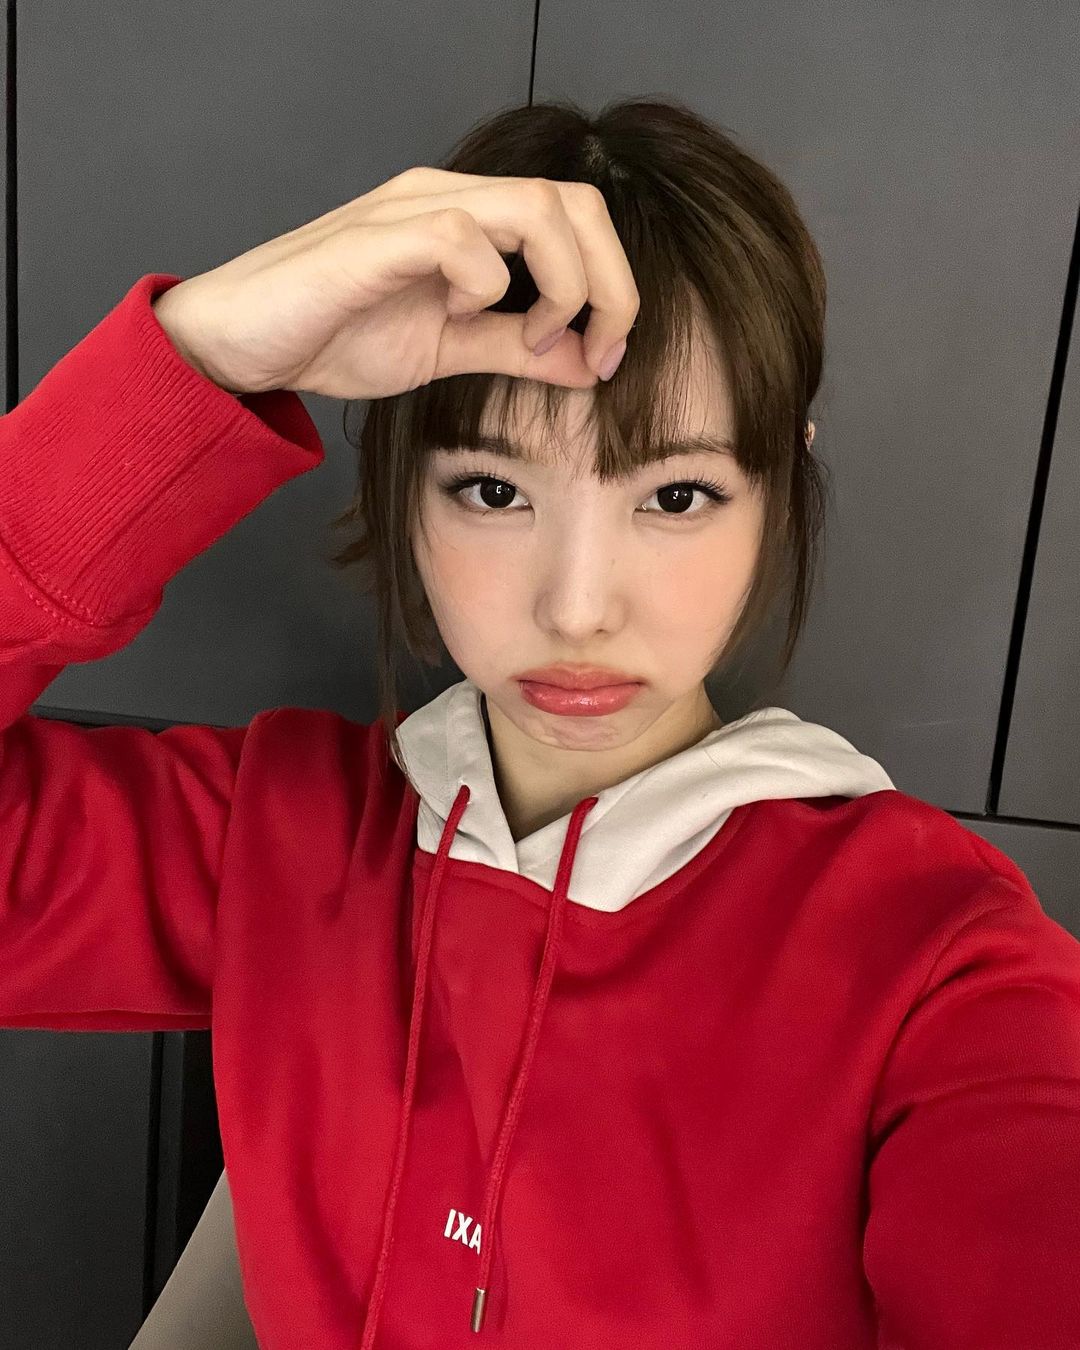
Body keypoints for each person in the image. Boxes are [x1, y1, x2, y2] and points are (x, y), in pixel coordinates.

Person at [2, 96, 1079, 1350]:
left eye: (676, 495)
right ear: (405, 494)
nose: (577, 608)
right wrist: (195, 360)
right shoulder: (274, 839)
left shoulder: (935, 961)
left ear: (776, 495)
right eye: (492, 488)